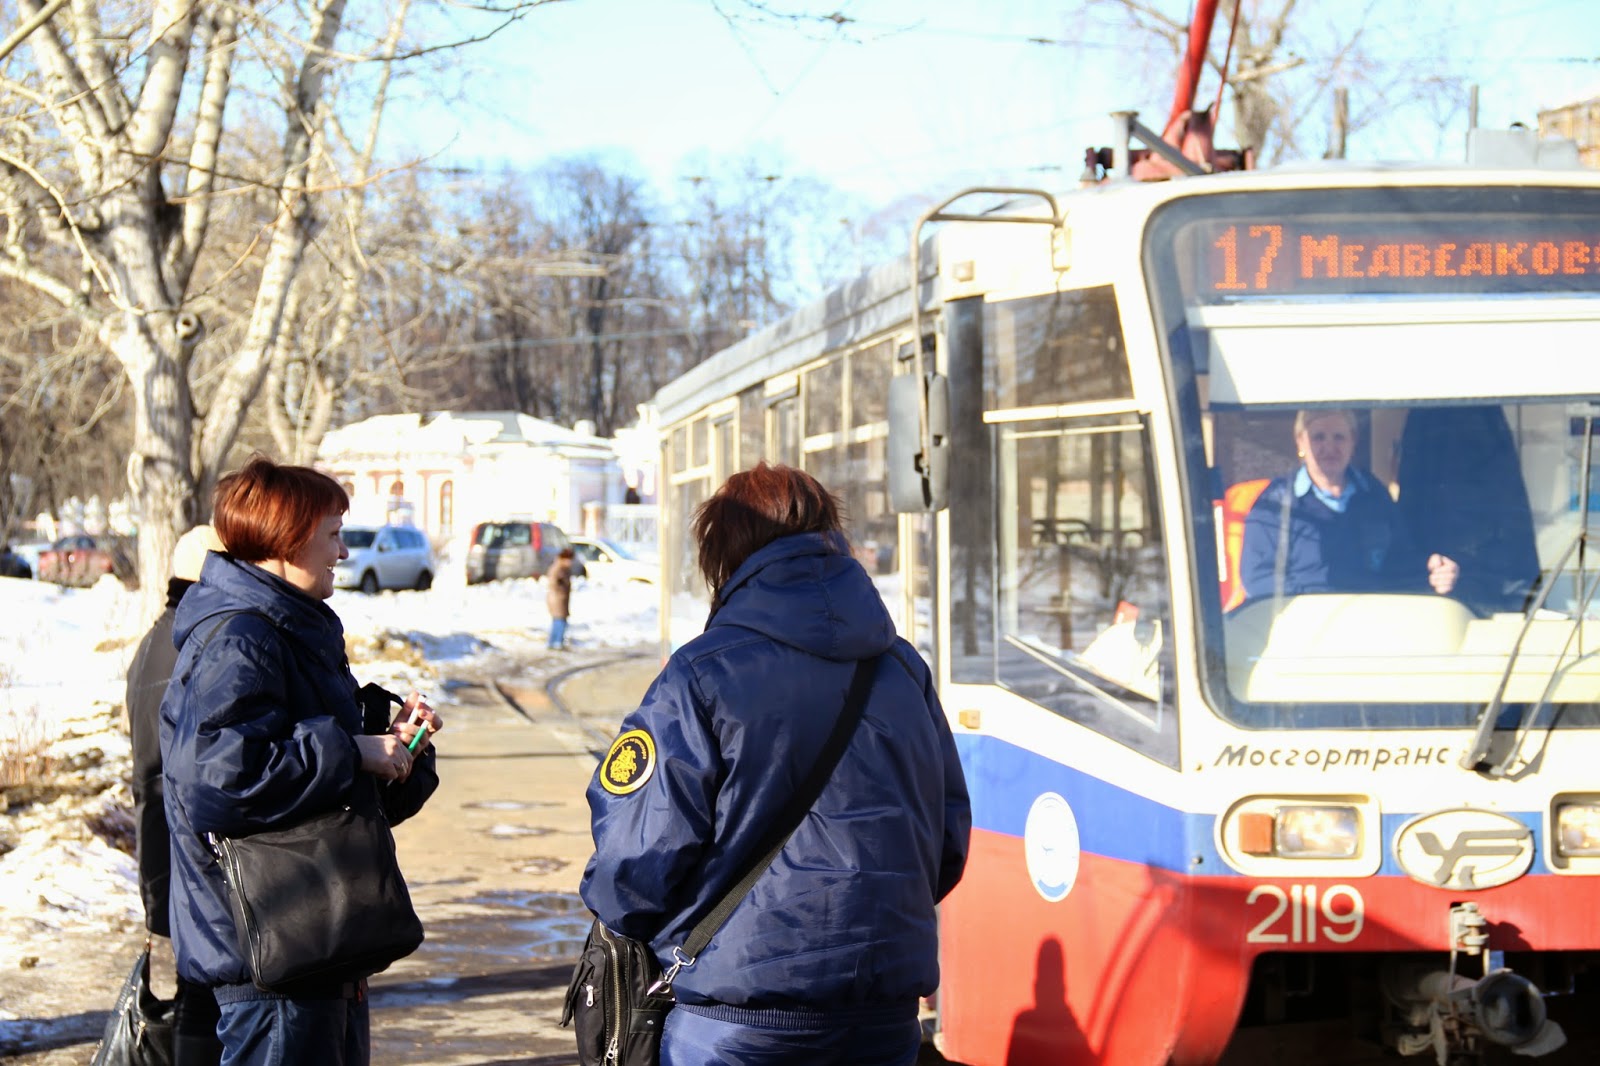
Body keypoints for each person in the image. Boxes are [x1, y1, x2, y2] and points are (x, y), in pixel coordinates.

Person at [581, 462, 971, 1066]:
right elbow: (945, 843)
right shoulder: (903, 670)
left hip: (736, 1023)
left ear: (724, 555)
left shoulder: (701, 674)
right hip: (883, 1018)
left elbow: (633, 861)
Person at [160, 456, 443, 1066]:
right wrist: (352, 751)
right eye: (333, 534)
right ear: (288, 541)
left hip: (315, 943)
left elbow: (330, 799)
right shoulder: (243, 636)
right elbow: (218, 778)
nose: (343, 552)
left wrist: (399, 752)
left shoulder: (289, 629)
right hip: (275, 953)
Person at [126, 524, 227, 1066]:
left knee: (196, 990)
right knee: (201, 996)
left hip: (159, 844)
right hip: (188, 847)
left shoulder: (151, 643)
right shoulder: (195, 644)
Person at [1239, 409, 1459, 602]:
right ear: (1300, 442)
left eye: (1339, 437)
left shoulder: (1374, 495)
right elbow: (1258, 579)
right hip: (1304, 631)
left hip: (1370, 623)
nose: (1329, 447)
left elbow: (1398, 563)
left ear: (1353, 441)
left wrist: (1432, 570)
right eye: (1318, 437)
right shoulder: (1276, 504)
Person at [546, 546, 574, 649]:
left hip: (559, 599)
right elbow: (553, 583)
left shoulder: (562, 568)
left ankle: (554, 641)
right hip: (557, 599)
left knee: (558, 621)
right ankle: (557, 642)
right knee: (560, 621)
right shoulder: (558, 568)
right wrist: (561, 589)